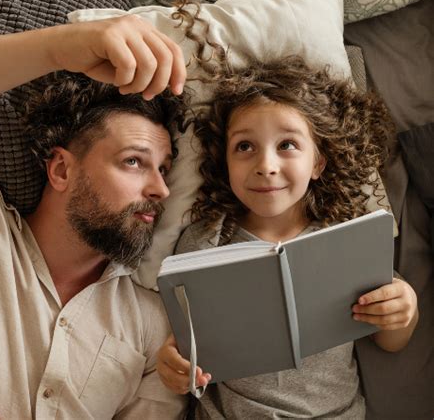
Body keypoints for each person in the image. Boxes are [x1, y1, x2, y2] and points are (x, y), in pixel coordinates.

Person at [156, 57, 419, 418]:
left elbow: (390, 341)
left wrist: (404, 309)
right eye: (245, 147)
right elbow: (187, 342)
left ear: (318, 163)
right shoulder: (206, 241)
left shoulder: (345, 239)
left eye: (287, 145)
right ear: (225, 162)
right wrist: (174, 364)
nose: (266, 164)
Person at [0, 16, 190, 418]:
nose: (161, 190)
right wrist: (59, 47)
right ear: (62, 170)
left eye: (164, 169)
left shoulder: (155, 330)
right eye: (134, 161)